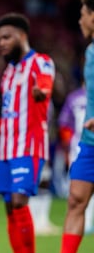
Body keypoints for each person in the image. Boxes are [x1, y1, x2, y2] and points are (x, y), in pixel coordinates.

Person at [0, 13, 54, 253]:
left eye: (7, 37)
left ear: (22, 36)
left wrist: (41, 92)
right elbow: (9, 117)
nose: (2, 43)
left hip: (29, 147)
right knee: (10, 207)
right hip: (6, 150)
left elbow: (45, 85)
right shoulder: (9, 73)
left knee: (20, 202)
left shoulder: (41, 62)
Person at [32, 0, 94, 253]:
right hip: (90, 143)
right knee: (75, 199)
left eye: (83, 15)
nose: (79, 21)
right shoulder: (91, 51)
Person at [57, 84, 94, 234]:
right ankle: (87, 222)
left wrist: (67, 146)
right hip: (81, 147)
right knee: (80, 192)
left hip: (78, 147)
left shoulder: (73, 98)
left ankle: (86, 222)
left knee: (77, 193)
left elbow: (64, 125)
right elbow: (64, 126)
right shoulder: (74, 98)